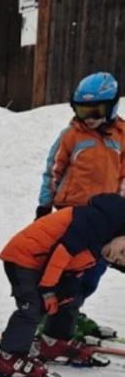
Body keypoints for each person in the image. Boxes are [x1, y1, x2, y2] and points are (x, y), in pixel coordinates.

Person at [0, 192, 125, 377]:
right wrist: (48, 289)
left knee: (72, 297)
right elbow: (62, 252)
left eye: (118, 262)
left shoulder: (108, 238)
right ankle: (9, 357)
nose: (115, 256)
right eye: (123, 251)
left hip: (45, 263)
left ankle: (54, 340)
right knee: (32, 307)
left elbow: (74, 264)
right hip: (26, 257)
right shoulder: (97, 220)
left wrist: (65, 289)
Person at [37, 72, 125, 340]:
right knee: (67, 272)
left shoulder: (122, 137)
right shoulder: (71, 136)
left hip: (105, 219)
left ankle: (72, 314)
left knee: (93, 273)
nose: (89, 118)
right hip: (72, 215)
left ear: (111, 107)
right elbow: (53, 171)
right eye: (83, 110)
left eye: (96, 110)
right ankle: (50, 320)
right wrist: (44, 206)